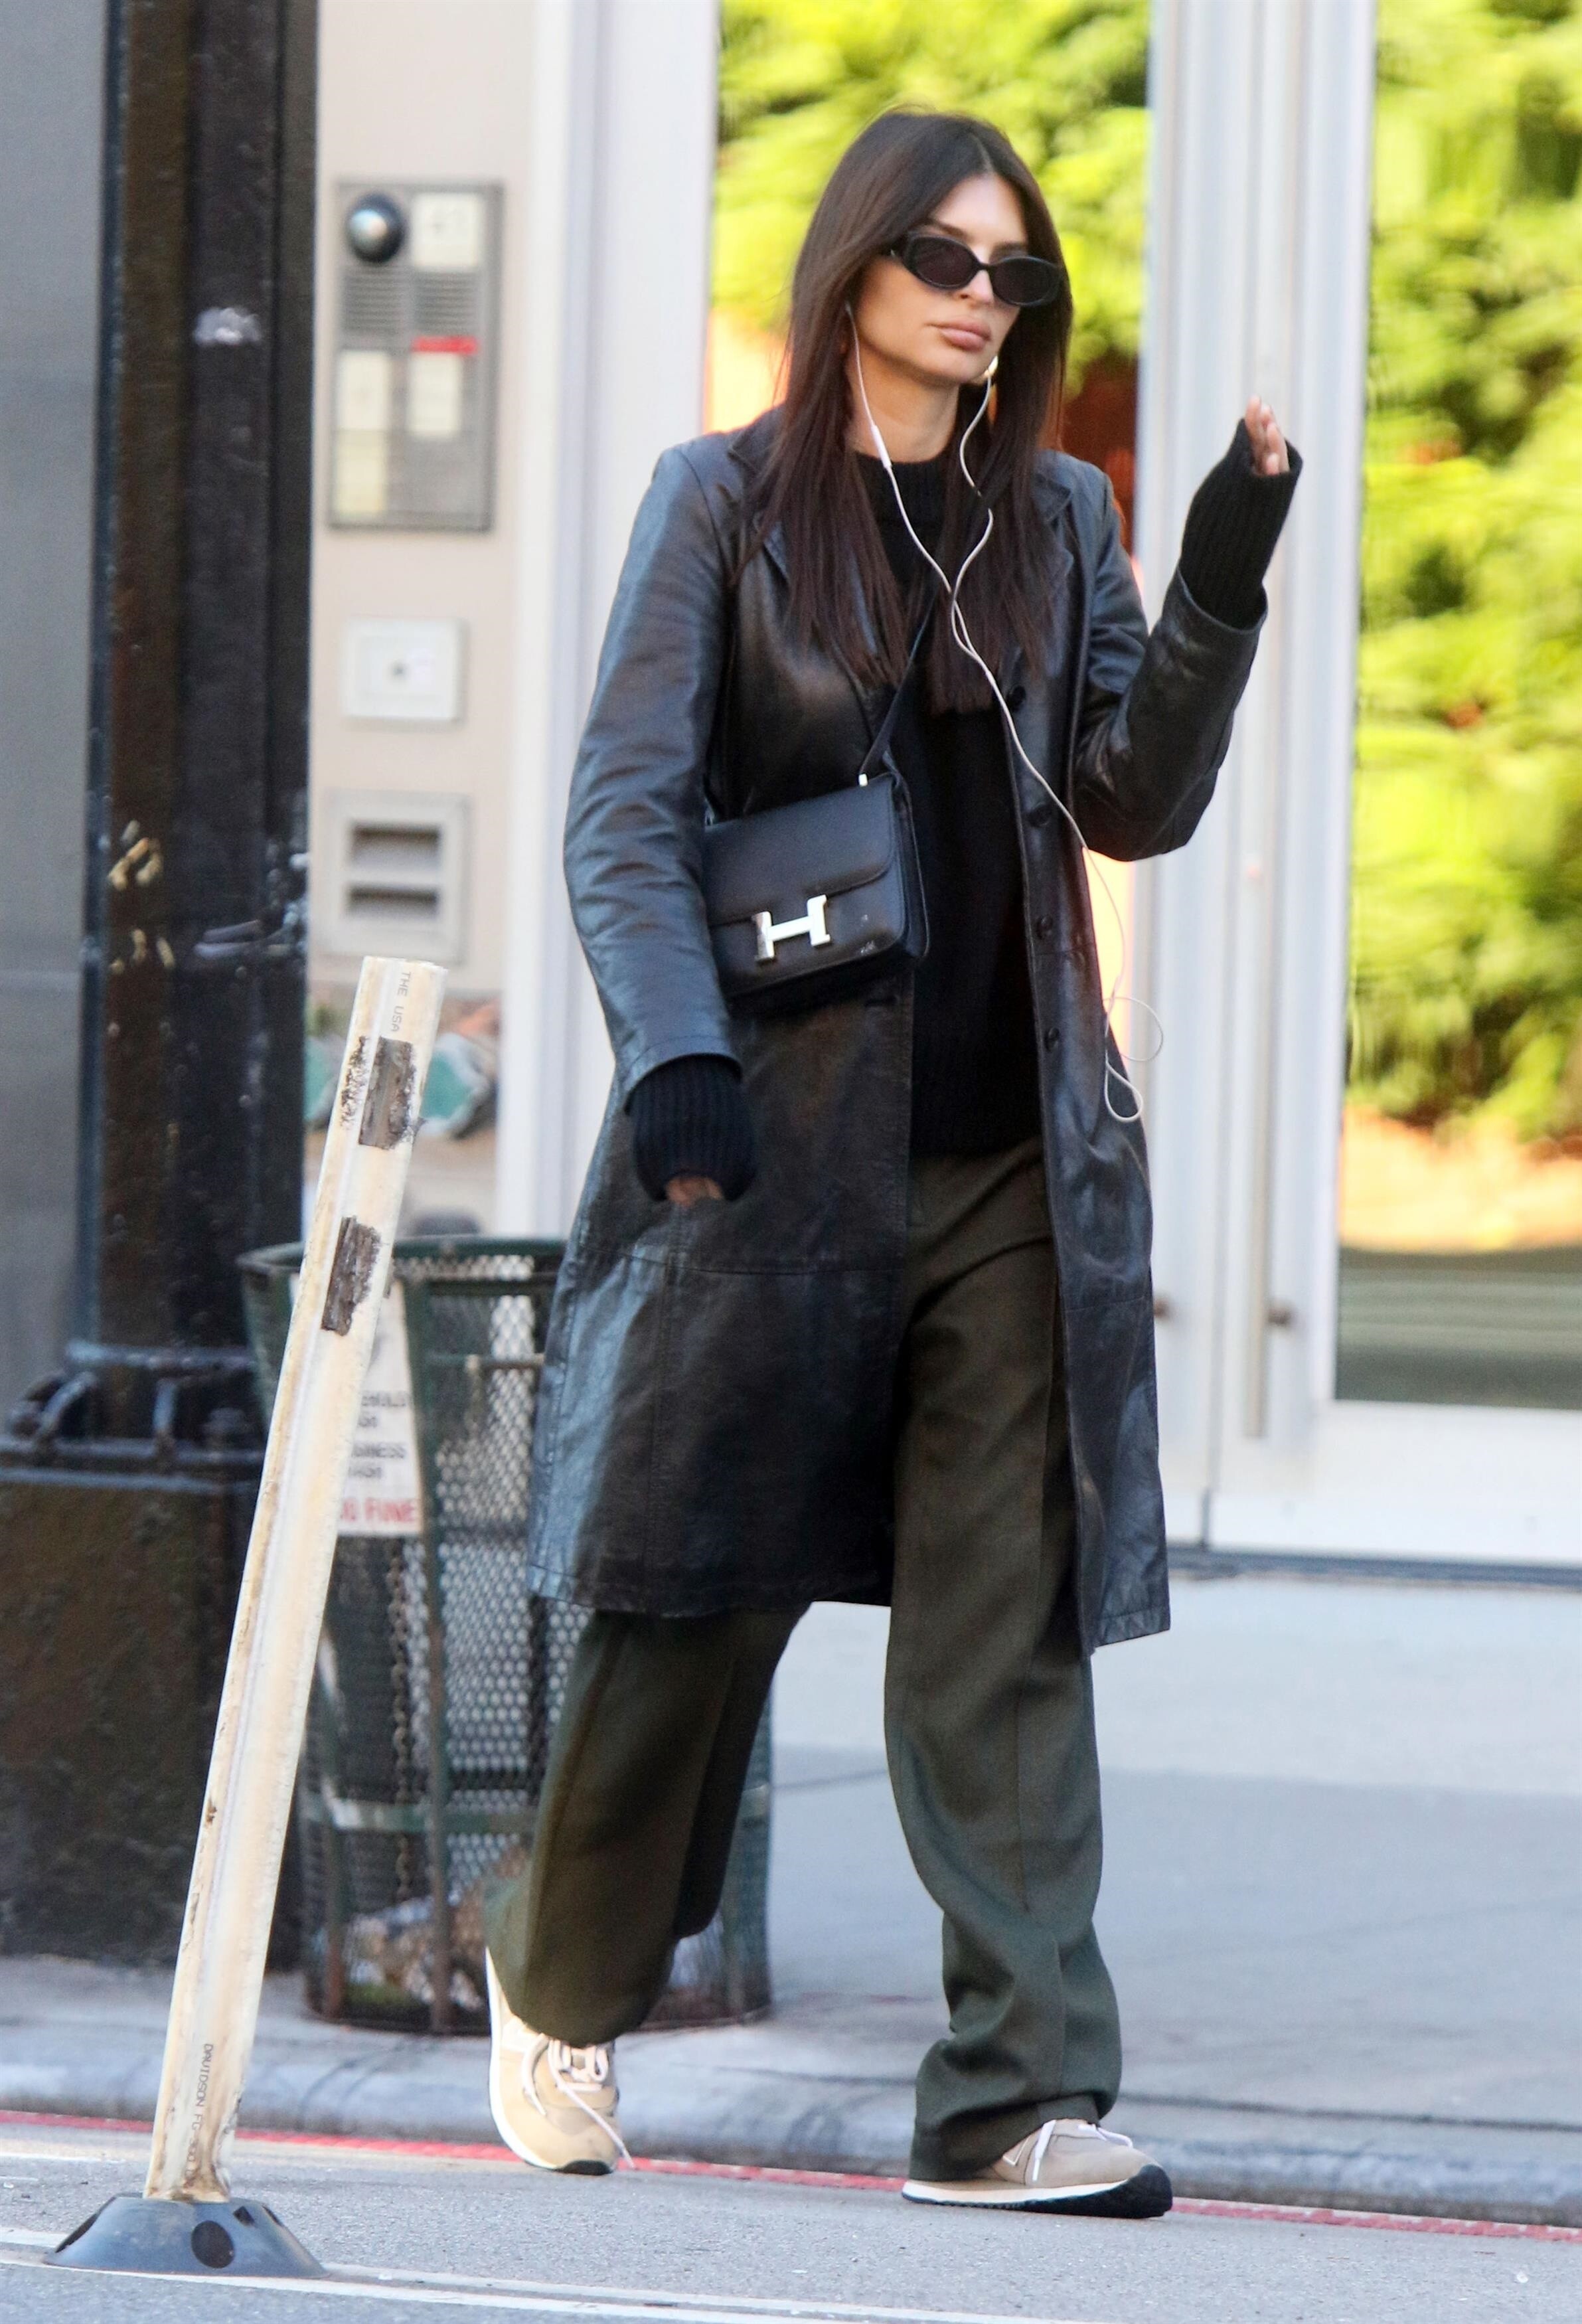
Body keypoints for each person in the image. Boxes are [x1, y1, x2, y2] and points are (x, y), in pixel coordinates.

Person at [483, 108, 1299, 2214]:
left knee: (1000, 1630)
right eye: (945, 256)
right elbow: (625, 810)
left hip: (1010, 1161)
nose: (979, 297)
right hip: (768, 1158)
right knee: (693, 1596)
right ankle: (557, 1974)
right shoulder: (725, 506)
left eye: (1014, 271)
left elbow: (1127, 800)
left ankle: (1011, 2097)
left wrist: (1217, 577)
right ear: (854, 266)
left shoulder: (1059, 518)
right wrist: (675, 1053)